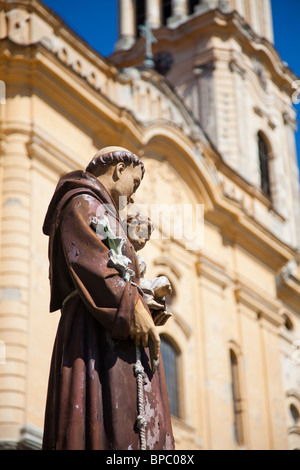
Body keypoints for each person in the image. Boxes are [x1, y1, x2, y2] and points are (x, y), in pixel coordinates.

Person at [42, 146, 175, 450]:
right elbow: (90, 262)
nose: (133, 196)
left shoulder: (104, 210)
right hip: (94, 333)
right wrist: (131, 306)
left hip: (117, 330)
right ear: (118, 170)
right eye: (135, 183)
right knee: (103, 422)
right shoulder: (81, 200)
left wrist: (144, 298)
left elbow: (118, 272)